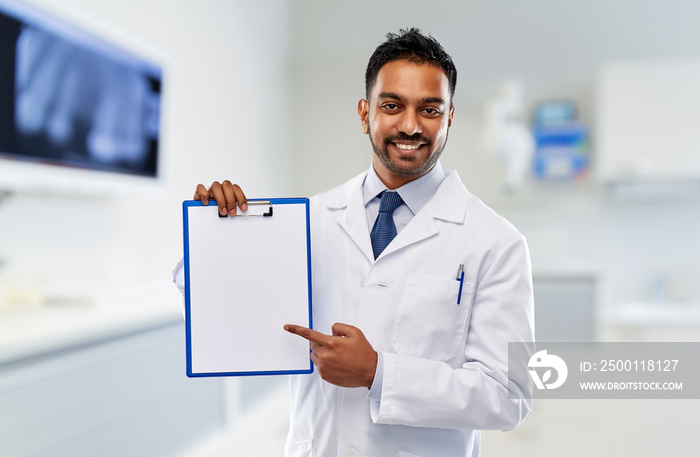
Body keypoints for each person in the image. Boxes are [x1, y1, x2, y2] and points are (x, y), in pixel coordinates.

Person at [174, 28, 534, 457]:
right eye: (392, 105)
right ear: (365, 113)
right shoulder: (307, 221)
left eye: (430, 109)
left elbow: (510, 395)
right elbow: (226, 319)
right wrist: (217, 237)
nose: (410, 125)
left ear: (449, 117)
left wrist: (378, 372)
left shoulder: (496, 242)